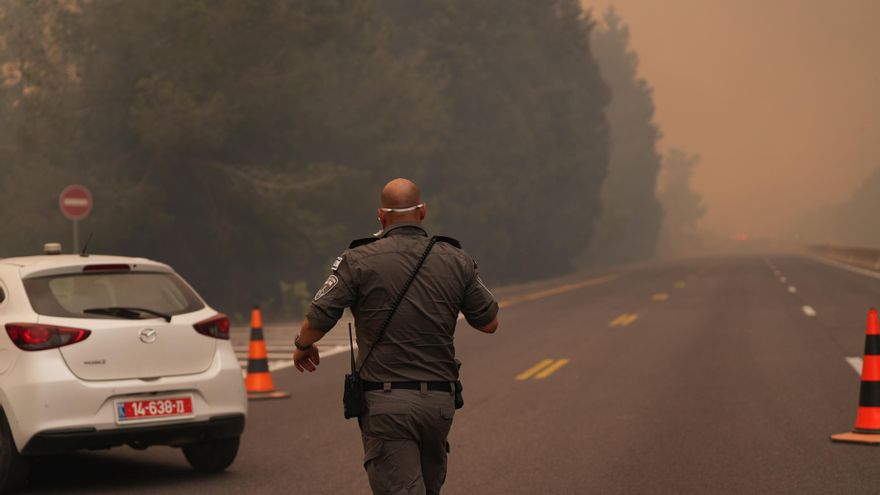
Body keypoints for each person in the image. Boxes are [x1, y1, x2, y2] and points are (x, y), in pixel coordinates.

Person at [293, 178, 499, 495]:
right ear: (423, 211)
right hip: (439, 404)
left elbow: (318, 319)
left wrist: (302, 345)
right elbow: (489, 322)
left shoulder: (357, 259)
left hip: (386, 404)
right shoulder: (456, 259)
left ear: (381, 216)